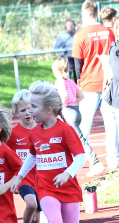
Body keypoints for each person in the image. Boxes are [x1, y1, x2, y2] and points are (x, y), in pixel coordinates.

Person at [13, 81, 87, 223]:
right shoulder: (34, 133)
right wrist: (19, 177)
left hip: (69, 189)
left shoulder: (65, 130)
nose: (30, 112)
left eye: (34, 107)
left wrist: (67, 173)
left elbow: (80, 157)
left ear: (49, 110)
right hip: (45, 188)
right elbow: (32, 156)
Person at [73, 0, 115, 177]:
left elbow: (76, 64)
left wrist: (76, 86)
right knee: (111, 122)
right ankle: (114, 158)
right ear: (97, 13)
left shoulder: (80, 35)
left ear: (84, 14)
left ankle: (87, 159)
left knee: (82, 125)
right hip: (108, 82)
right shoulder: (108, 32)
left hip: (89, 84)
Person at [9, 90, 43, 223]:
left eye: (31, 109)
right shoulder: (13, 134)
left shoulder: (41, 130)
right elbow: (3, 153)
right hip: (23, 179)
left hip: (43, 179)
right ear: (16, 112)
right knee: (31, 204)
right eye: (23, 110)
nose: (28, 113)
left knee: (37, 218)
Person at [53, 57, 103, 175]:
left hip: (68, 112)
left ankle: (95, 162)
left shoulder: (60, 82)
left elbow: (64, 95)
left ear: (57, 71)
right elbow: (81, 96)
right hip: (75, 111)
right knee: (67, 138)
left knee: (80, 139)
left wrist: (60, 106)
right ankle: (68, 163)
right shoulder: (71, 82)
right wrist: (73, 104)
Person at [100, 21, 119, 170]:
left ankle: (113, 157)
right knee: (112, 127)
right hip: (113, 96)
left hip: (114, 95)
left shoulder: (114, 48)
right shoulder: (115, 48)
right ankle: (113, 157)